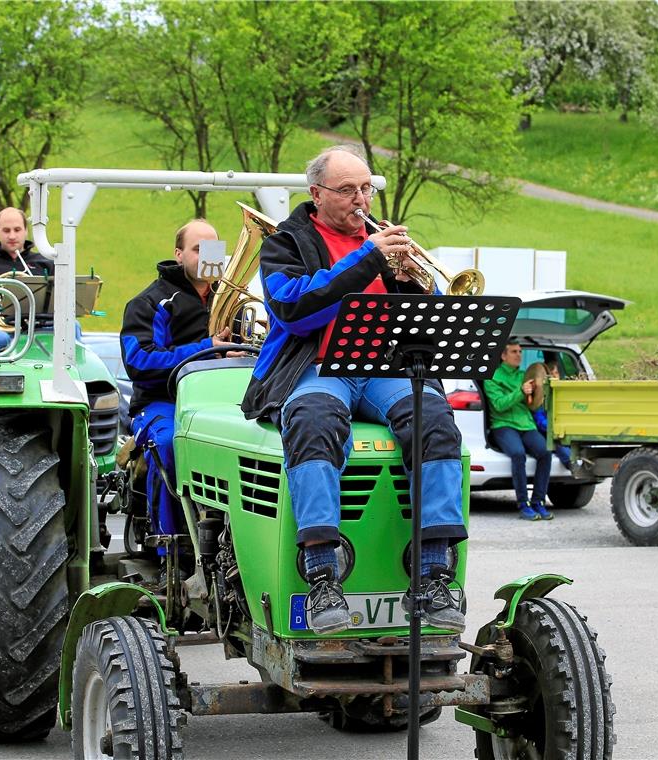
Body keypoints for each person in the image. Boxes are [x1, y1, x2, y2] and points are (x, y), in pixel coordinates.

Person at [240, 146, 467, 635]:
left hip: (383, 365)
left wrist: (417, 288)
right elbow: (295, 309)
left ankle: (432, 574)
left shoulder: (383, 243)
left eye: (367, 188)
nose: (361, 199)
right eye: (348, 190)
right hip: (317, 364)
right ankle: (323, 575)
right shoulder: (286, 243)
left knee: (436, 421)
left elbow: (419, 322)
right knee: (313, 422)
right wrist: (369, 259)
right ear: (317, 194)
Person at [121, 219, 237, 568]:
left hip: (223, 401)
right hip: (160, 404)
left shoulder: (231, 299)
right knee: (172, 443)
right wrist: (207, 348)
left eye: (214, 249)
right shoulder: (149, 302)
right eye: (198, 249)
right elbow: (138, 360)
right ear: (178, 254)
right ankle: (170, 550)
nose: (207, 256)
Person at [0, 207, 56, 353]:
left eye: (17, 229)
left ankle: (75, 373)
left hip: (41, 327)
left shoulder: (45, 262)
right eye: (6, 230)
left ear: (26, 231)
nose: (12, 236)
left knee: (73, 327)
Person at [484, 342, 554, 521]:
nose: (519, 355)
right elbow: (499, 405)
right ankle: (523, 504)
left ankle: (538, 501)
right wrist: (521, 392)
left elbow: (536, 402)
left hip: (526, 425)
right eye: (514, 352)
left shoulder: (525, 375)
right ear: (503, 356)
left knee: (545, 453)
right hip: (503, 425)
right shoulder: (492, 377)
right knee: (517, 454)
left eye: (521, 352)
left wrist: (547, 384)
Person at [532, 361, 574, 471]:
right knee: (558, 443)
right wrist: (555, 427)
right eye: (551, 373)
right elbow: (540, 421)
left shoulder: (564, 395)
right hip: (549, 432)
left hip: (565, 430)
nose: (555, 376)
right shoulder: (540, 397)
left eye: (557, 373)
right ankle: (571, 463)